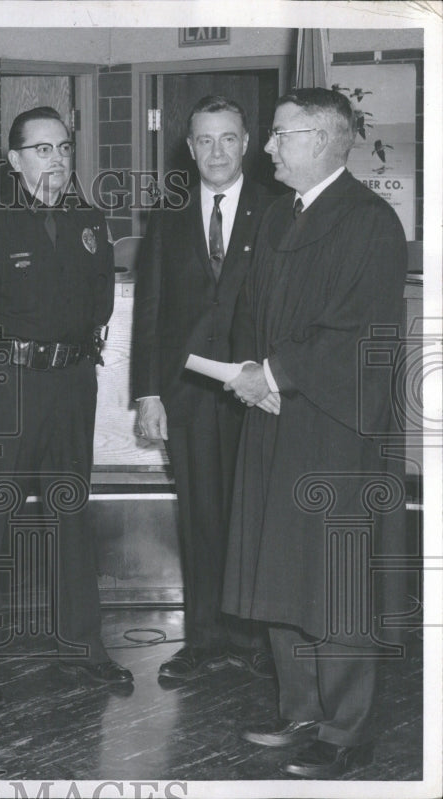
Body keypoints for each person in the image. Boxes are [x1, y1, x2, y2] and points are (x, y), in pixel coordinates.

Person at [223, 87, 408, 778]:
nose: (266, 147)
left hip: (332, 424)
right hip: (275, 414)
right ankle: (297, 707)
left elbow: (358, 333)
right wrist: (251, 371)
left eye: (279, 134)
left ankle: (346, 729)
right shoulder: (278, 215)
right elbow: (251, 310)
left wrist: (272, 373)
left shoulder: (369, 222)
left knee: (333, 578)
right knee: (279, 568)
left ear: (327, 140)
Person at [0, 106, 130, 704]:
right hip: (9, 383)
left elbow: (100, 301)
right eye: (41, 148)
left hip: (72, 381)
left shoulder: (90, 219)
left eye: (61, 148)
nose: (54, 159)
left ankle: (84, 648)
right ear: (15, 159)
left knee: (69, 515)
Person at [131, 95, 274, 682]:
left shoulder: (278, 208)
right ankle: (206, 640)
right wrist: (148, 394)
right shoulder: (166, 216)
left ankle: (254, 638)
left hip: (258, 394)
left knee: (255, 519)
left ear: (246, 142)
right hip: (188, 394)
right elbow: (151, 310)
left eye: (228, 139)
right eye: (204, 141)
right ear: (189, 149)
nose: (216, 152)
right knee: (201, 518)